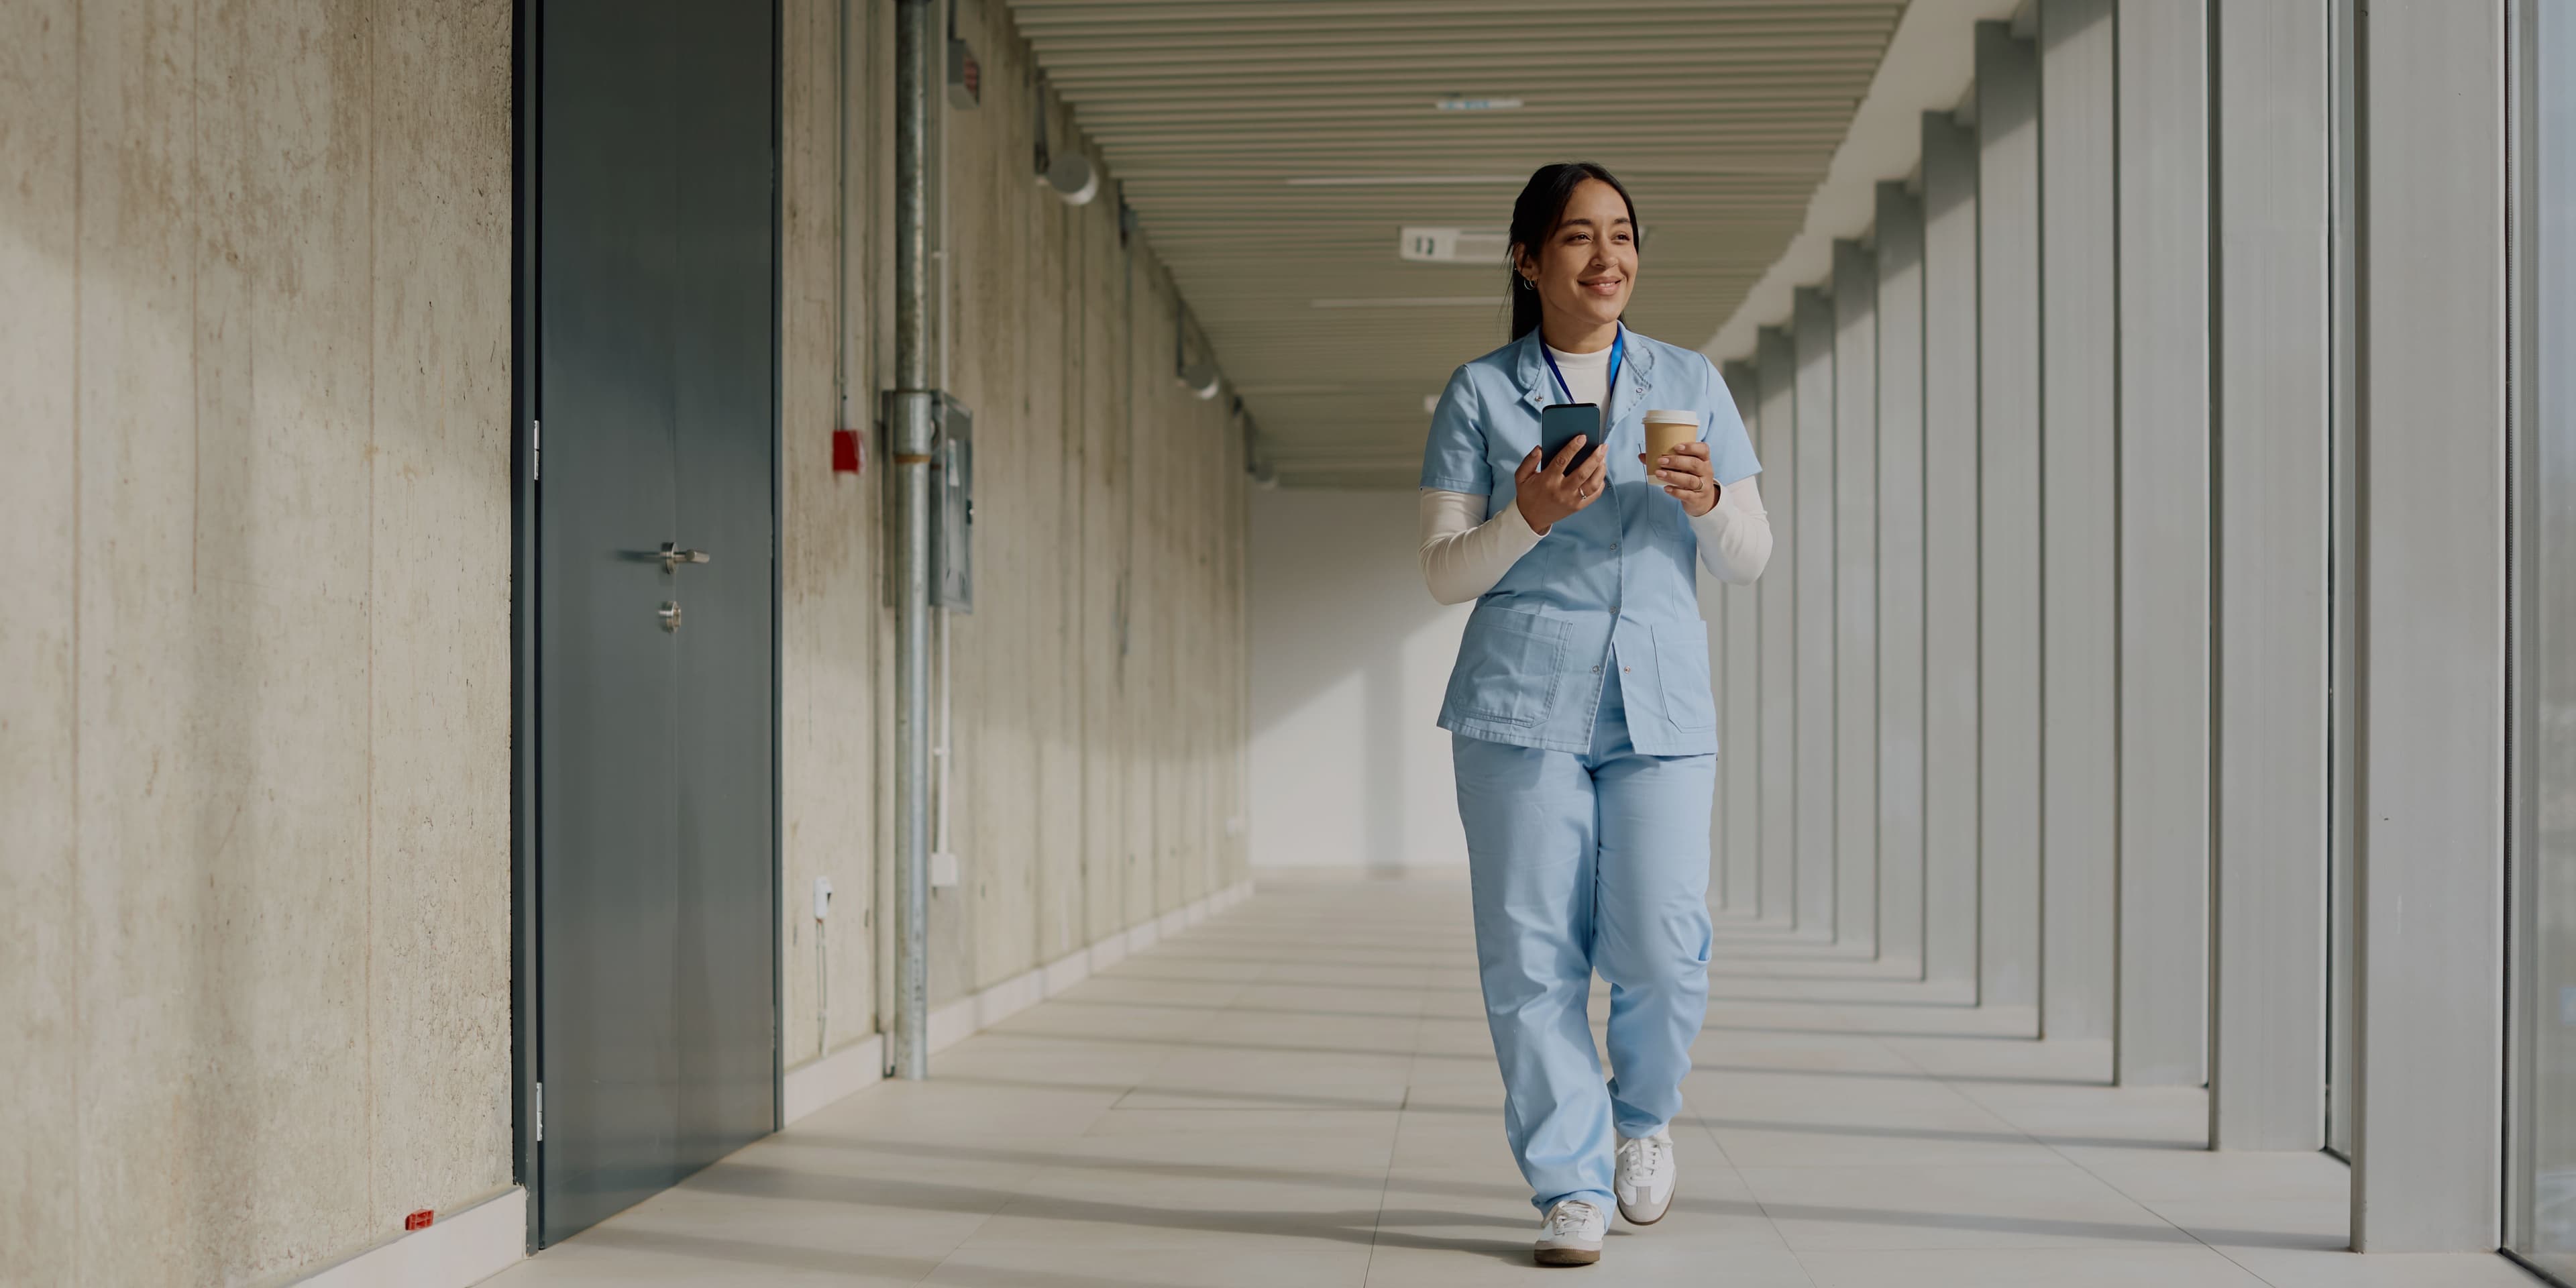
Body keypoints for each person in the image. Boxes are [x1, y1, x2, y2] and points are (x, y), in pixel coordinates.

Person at [1415, 162, 1772, 1268]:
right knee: (1531, 953)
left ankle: (1643, 1120)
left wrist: (1708, 502)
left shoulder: (1691, 380)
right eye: (1578, 237)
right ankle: (1568, 1183)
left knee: (1665, 943)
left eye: (1622, 235)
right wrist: (1525, 517)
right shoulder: (1478, 392)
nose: (1607, 257)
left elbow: (1752, 557)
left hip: (1660, 702)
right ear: (1530, 259)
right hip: (1520, 702)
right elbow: (1440, 572)